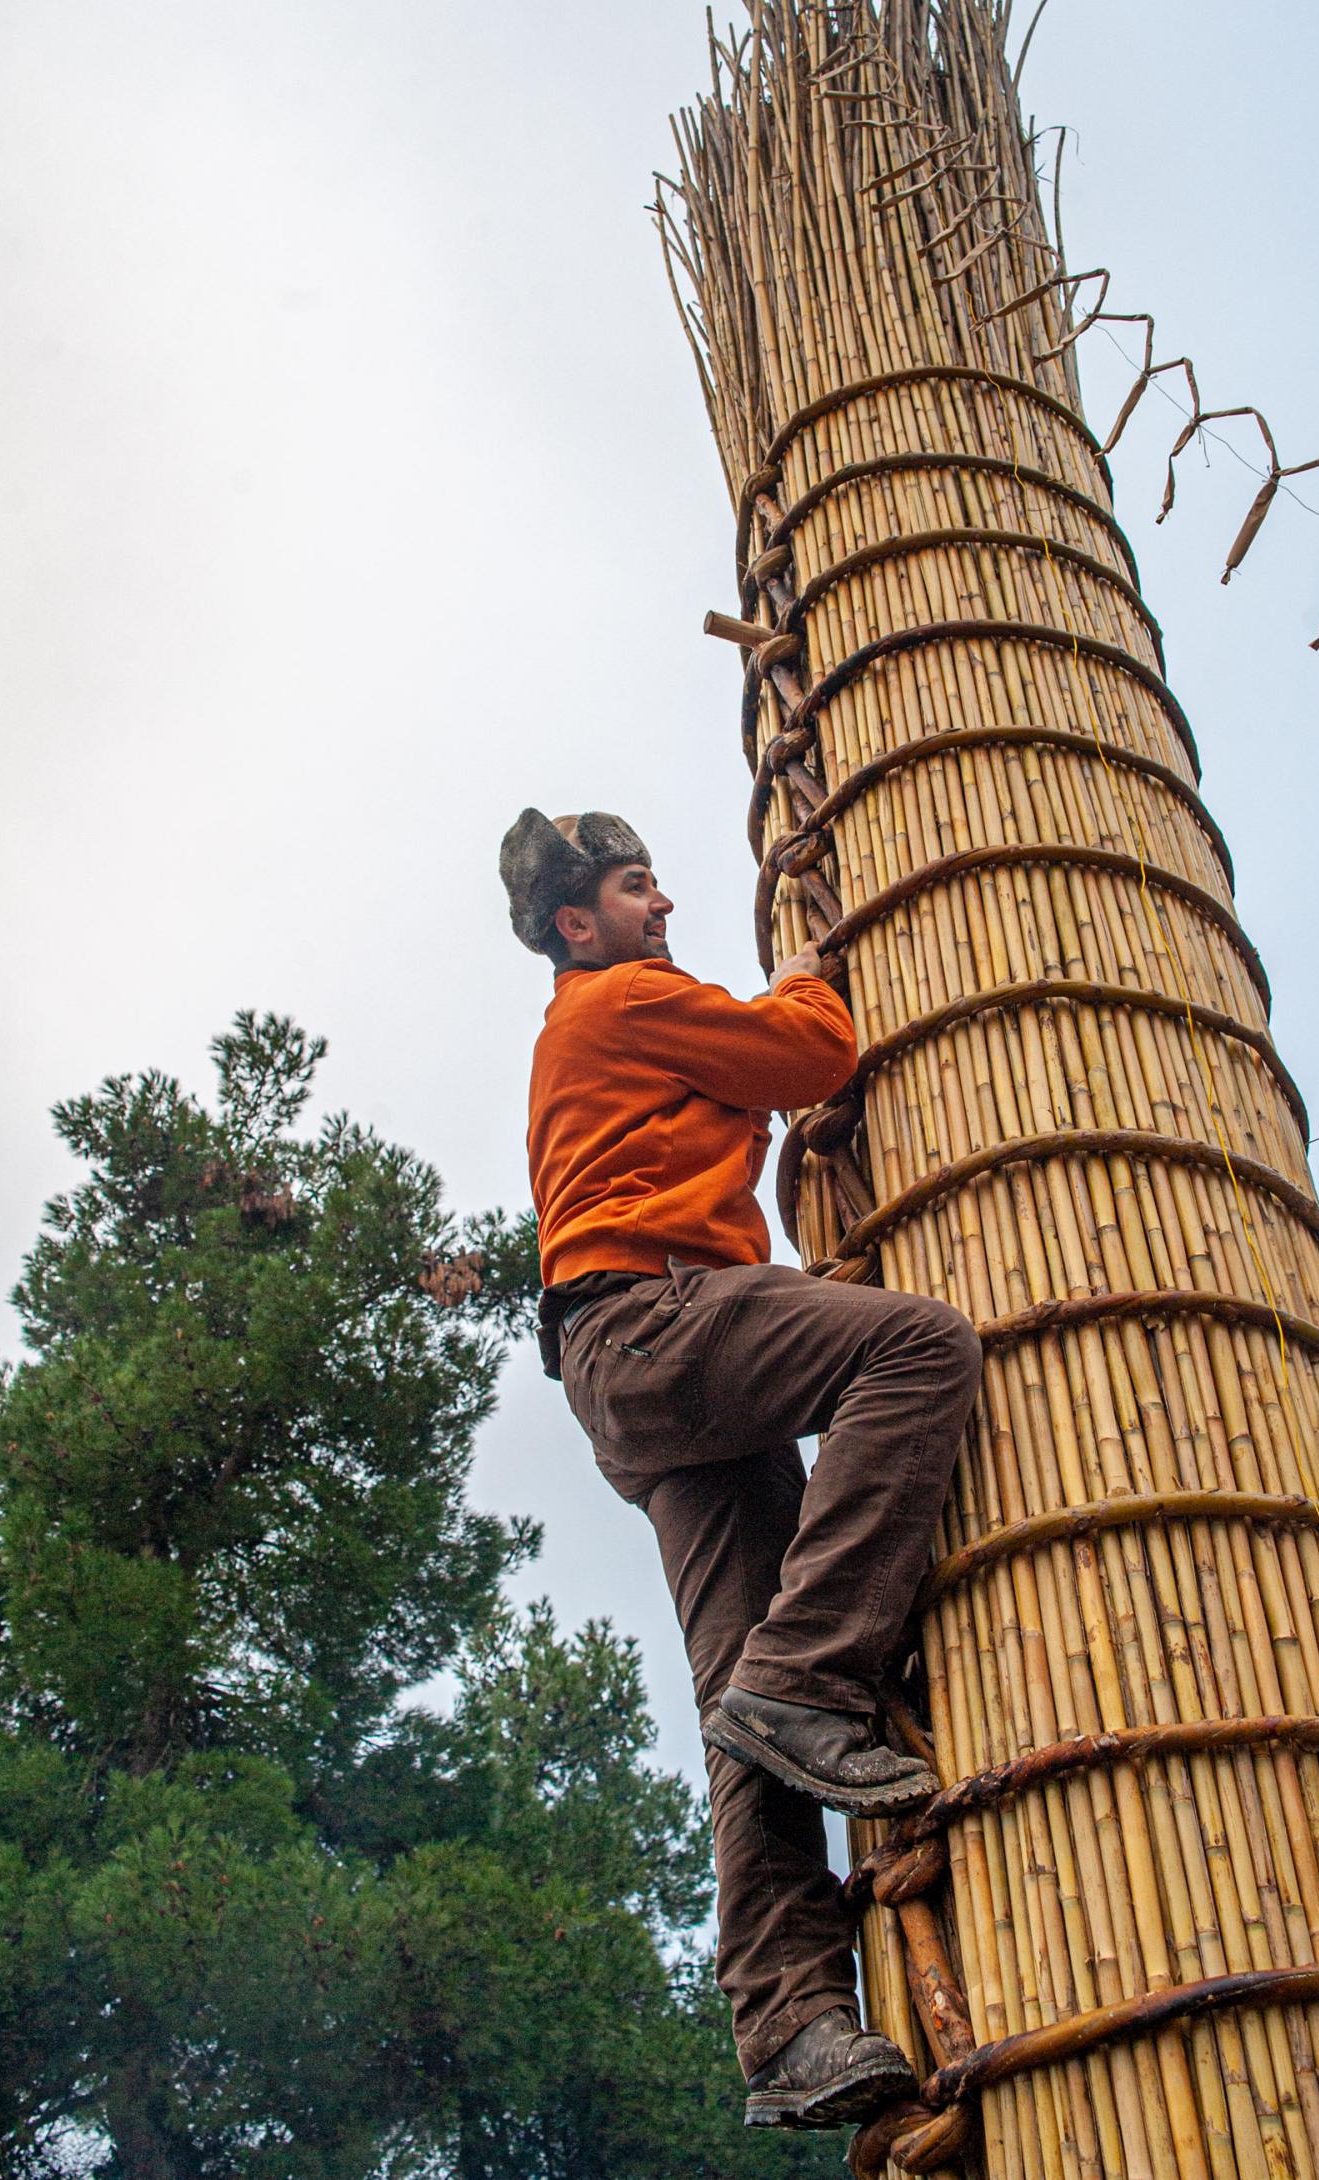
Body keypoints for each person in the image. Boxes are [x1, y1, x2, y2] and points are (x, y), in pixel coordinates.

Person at [500, 806, 983, 2133]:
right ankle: (810, 1675)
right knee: (919, 1350)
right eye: (635, 887)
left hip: (638, 1375)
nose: (662, 906)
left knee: (736, 1707)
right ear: (576, 924)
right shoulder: (618, 1000)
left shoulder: (592, 1030)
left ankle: (792, 2029)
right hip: (660, 1323)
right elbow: (804, 1054)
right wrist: (814, 974)